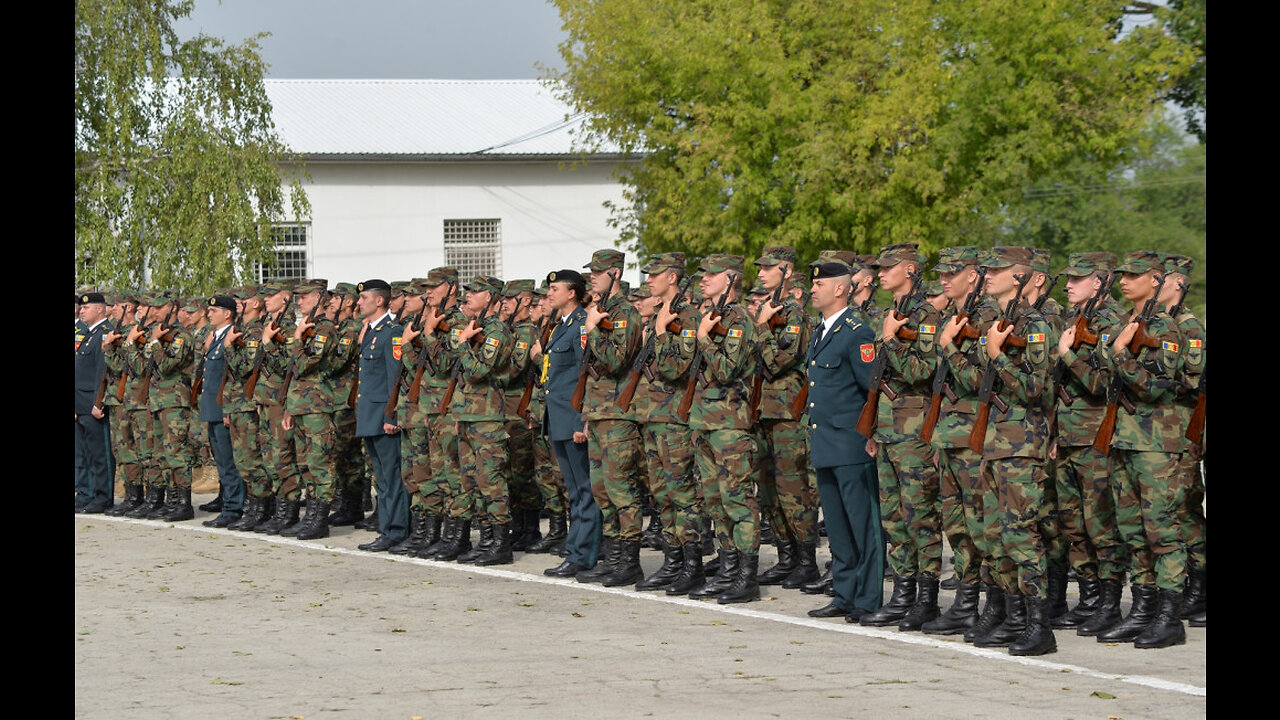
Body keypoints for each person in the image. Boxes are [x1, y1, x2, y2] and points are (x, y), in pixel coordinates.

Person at [860, 243, 943, 631]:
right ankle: (903, 593)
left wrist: (892, 340)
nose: (880, 273)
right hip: (888, 431)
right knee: (894, 517)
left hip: (913, 431)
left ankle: (927, 598)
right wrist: (873, 428)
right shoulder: (886, 313)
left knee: (919, 515)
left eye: (888, 267)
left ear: (909, 269)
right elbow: (878, 378)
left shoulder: (927, 315)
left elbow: (922, 372)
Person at [801, 263, 884, 621]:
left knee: (863, 526)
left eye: (819, 283)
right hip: (825, 444)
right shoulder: (820, 331)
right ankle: (844, 593)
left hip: (851, 445)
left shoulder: (856, 332)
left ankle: (867, 598)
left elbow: (872, 388)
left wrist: (872, 435)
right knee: (837, 527)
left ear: (840, 289)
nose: (812, 289)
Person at [534, 269, 604, 577]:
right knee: (574, 489)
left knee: (583, 489)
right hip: (558, 418)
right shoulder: (559, 326)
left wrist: (583, 419)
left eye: (554, 288)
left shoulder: (579, 326)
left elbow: (585, 373)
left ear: (571, 293)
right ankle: (578, 550)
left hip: (572, 418)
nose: (549, 294)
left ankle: (583, 555)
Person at [354, 279, 410, 551]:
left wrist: (392, 416)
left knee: (391, 477)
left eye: (364, 298)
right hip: (370, 416)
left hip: (383, 417)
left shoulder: (392, 332)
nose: (359, 302)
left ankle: (397, 530)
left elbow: (395, 378)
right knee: (382, 478)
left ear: (379, 301)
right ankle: (387, 527)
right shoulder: (372, 332)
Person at [198, 295, 247, 527]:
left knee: (229, 462)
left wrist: (228, 408)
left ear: (227, 313)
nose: (209, 314)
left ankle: (233, 508)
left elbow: (234, 376)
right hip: (212, 407)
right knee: (221, 461)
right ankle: (229, 504)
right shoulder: (214, 338)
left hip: (223, 407)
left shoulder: (233, 336)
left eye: (213, 310)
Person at [75, 292, 114, 513]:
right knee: (86, 454)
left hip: (92, 404)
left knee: (100, 454)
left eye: (86, 308)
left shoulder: (105, 333)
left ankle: (103, 497)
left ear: (100, 309)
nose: (82, 310)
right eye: (81, 308)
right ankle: (87, 493)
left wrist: (98, 403)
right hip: (80, 403)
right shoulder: (88, 334)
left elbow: (103, 371)